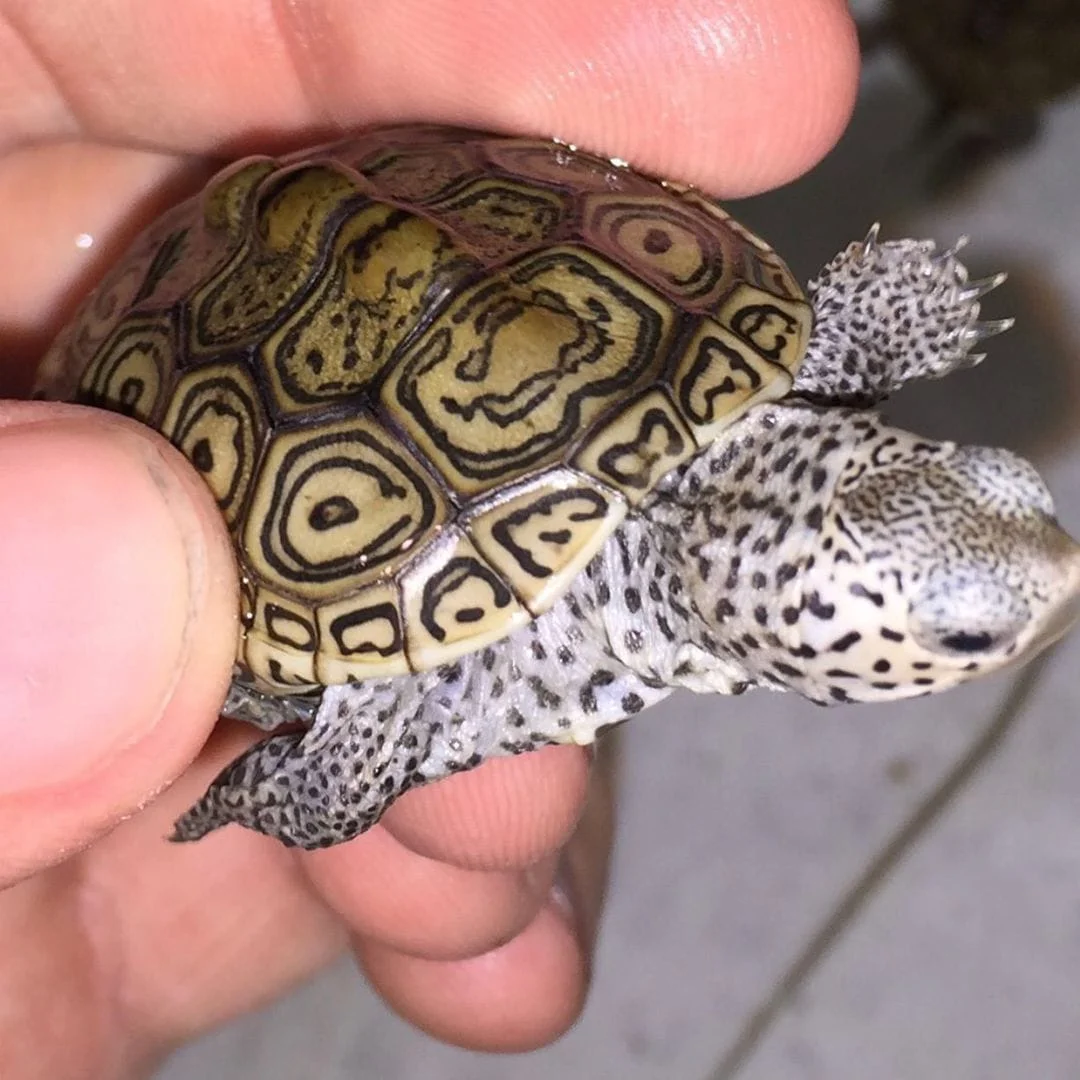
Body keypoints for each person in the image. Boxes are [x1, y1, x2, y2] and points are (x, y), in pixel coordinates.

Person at [0, 0, 858, 1073]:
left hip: (458, 231)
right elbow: (348, 753)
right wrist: (304, 788)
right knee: (382, 787)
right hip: (221, 347)